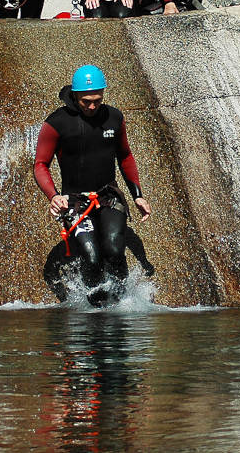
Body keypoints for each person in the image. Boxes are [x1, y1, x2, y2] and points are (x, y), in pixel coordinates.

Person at [34, 65, 153, 306]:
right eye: (86, 101)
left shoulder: (114, 118)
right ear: (75, 95)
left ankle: (122, 303)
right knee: (91, 255)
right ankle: (96, 308)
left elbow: (126, 156)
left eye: (97, 100)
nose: (91, 106)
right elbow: (40, 164)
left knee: (114, 248)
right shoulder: (57, 123)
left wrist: (137, 195)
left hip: (108, 196)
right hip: (75, 202)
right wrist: (54, 196)